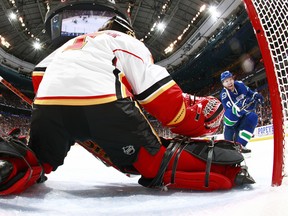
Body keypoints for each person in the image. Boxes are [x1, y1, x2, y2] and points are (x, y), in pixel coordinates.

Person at [0, 14, 255, 196]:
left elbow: (39, 76)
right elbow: (165, 102)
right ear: (127, 31)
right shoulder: (125, 42)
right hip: (103, 102)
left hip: (47, 104)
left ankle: (8, 165)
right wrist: (196, 118)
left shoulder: (67, 47)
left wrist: (67, 118)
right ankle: (228, 169)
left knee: (40, 158)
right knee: (153, 162)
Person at [220, 71, 264, 153]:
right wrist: (244, 105)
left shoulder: (240, 84)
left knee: (253, 117)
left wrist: (256, 95)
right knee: (229, 149)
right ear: (223, 84)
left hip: (242, 117)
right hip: (231, 124)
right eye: (226, 81)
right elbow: (233, 110)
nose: (229, 82)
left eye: (230, 79)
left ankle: (241, 145)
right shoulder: (224, 95)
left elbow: (250, 93)